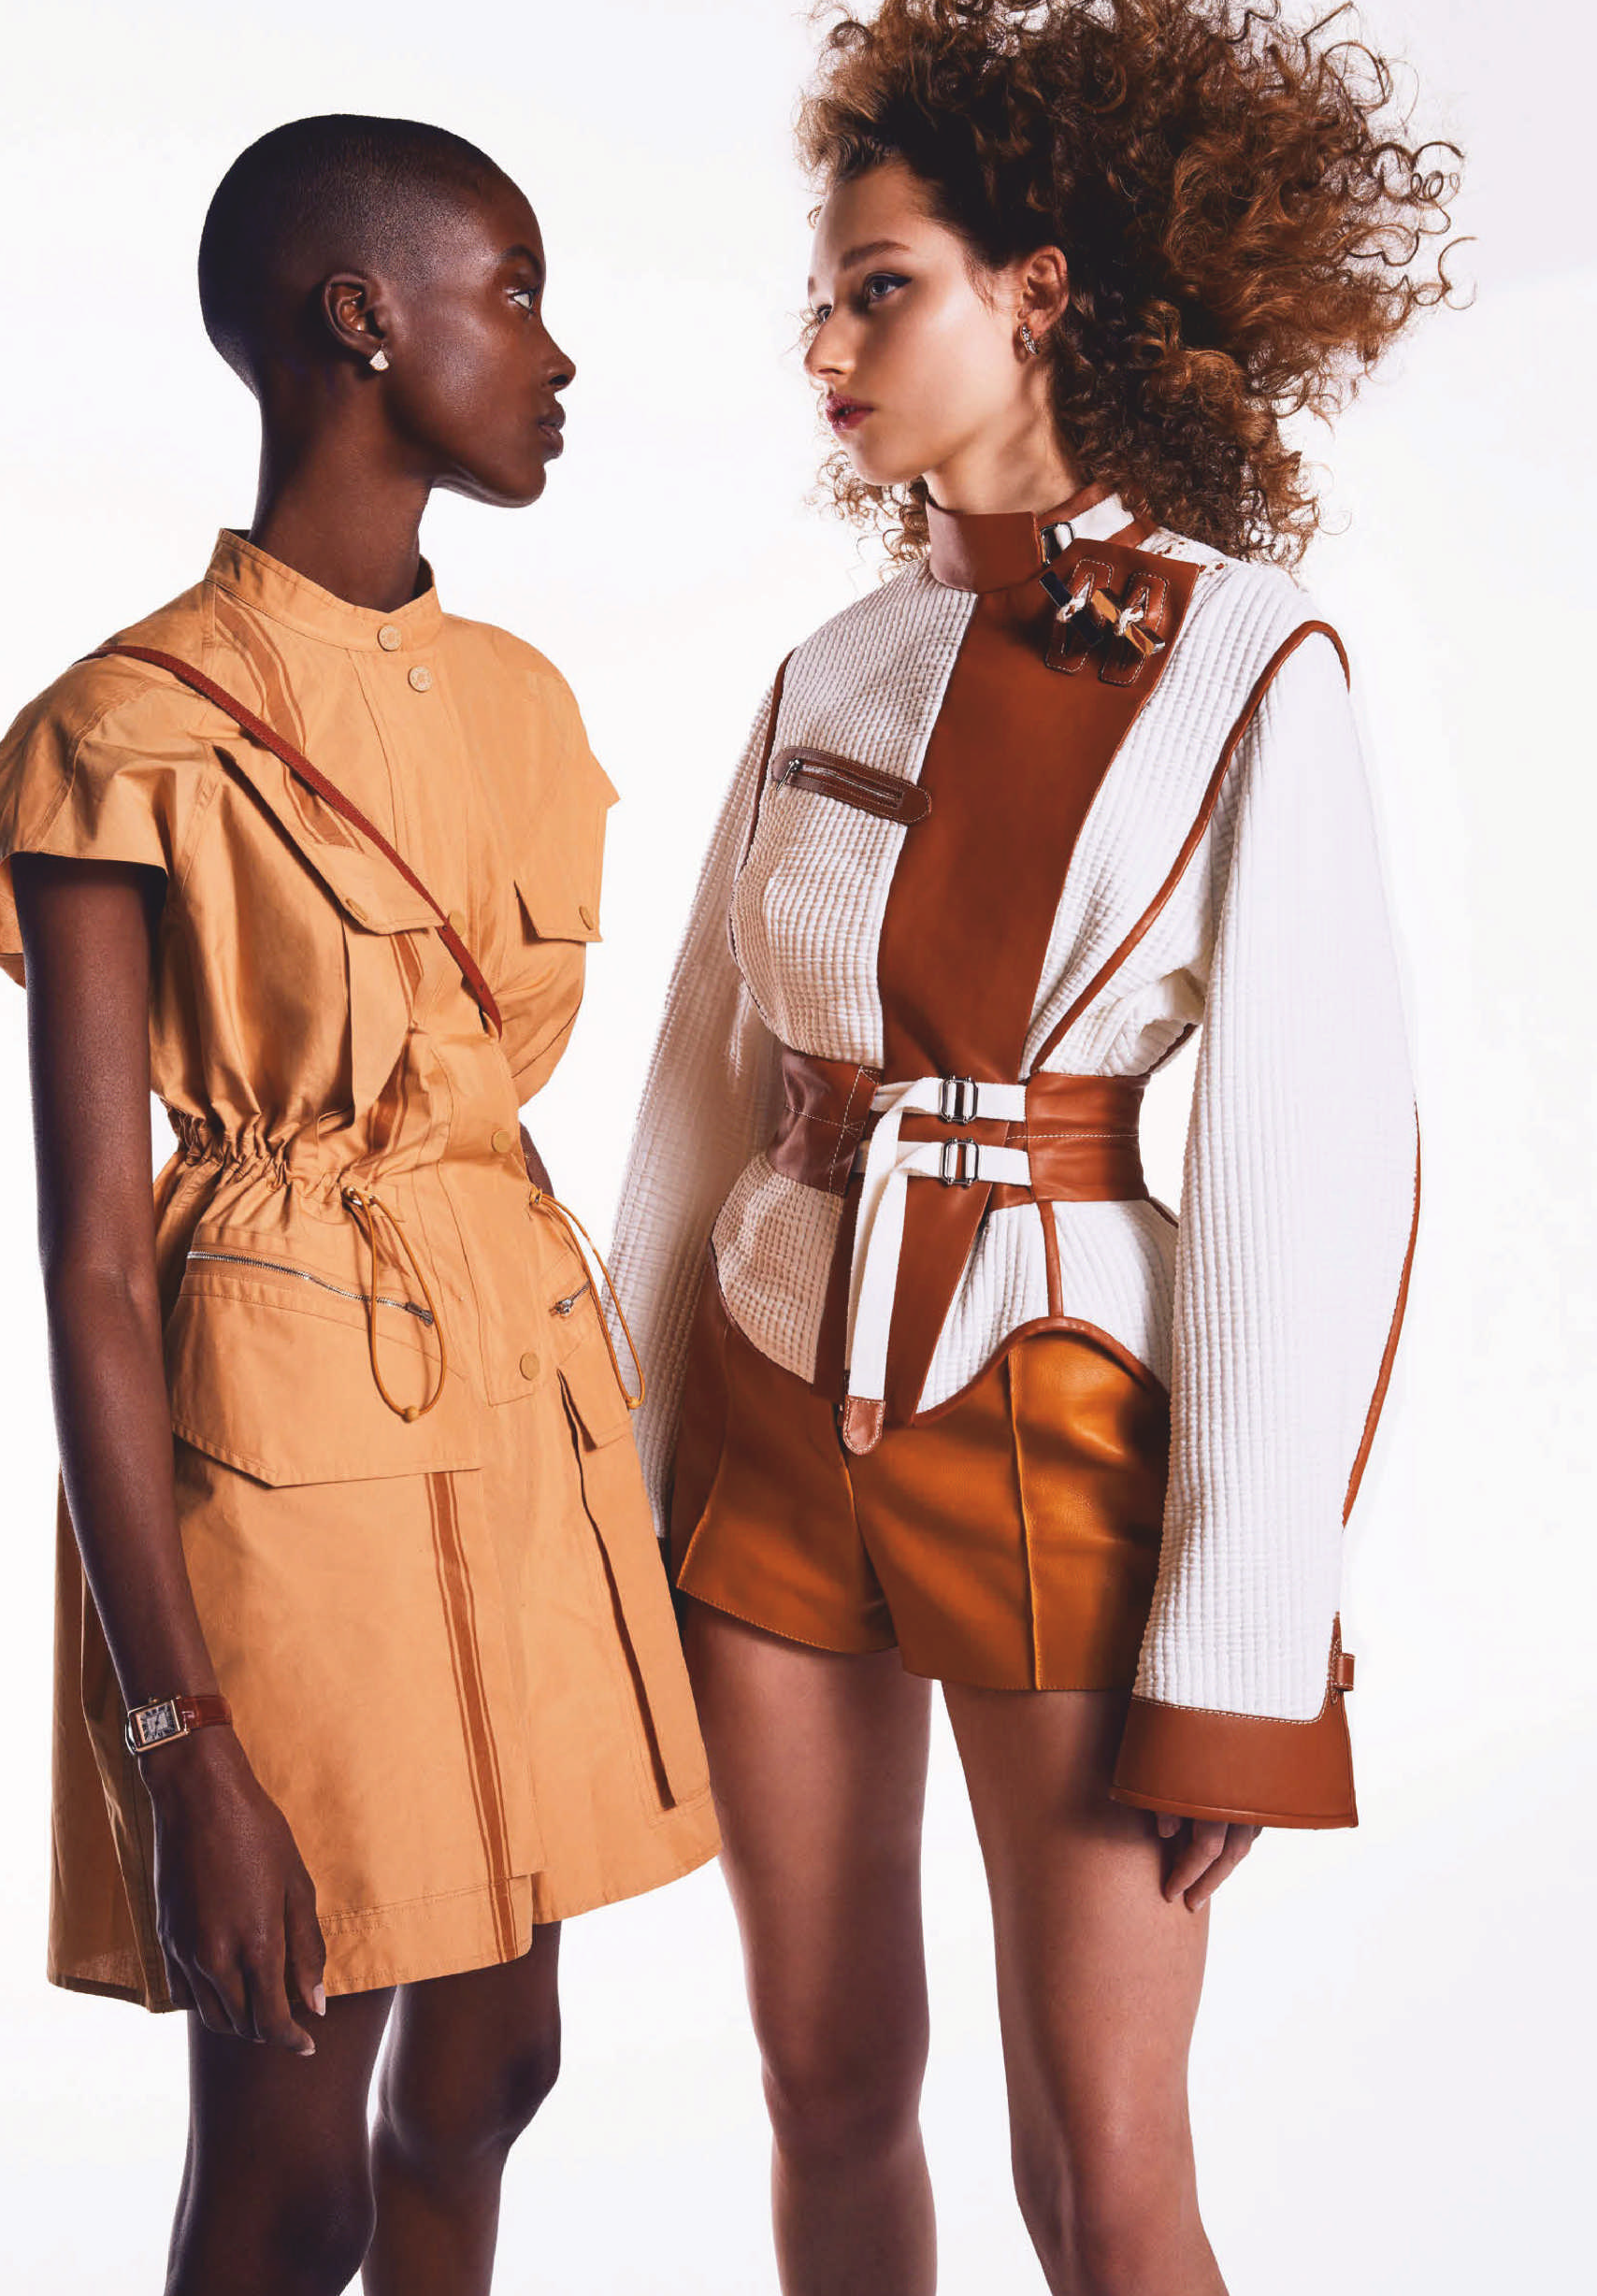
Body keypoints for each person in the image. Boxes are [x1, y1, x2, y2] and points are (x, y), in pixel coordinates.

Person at [608, 4, 1453, 2290]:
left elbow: (1312, 1165)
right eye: (818, 300)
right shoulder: (828, 668)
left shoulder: (1248, 658)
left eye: (876, 290)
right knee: (823, 2089)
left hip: (1054, 1432)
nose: (823, 348)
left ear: (1039, 291)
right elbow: (698, 1088)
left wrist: (1242, 1662)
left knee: (1099, 2173)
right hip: (766, 1418)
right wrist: (614, 1471)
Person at [0, 114, 715, 2296]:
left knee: (492, 2073)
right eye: (516, 292)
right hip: (281, 1459)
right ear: (363, 318)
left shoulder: (527, 708)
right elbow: (94, 1268)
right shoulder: (125, 733)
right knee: (292, 2166)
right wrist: (179, 1740)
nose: (555, 355)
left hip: (524, 1413)